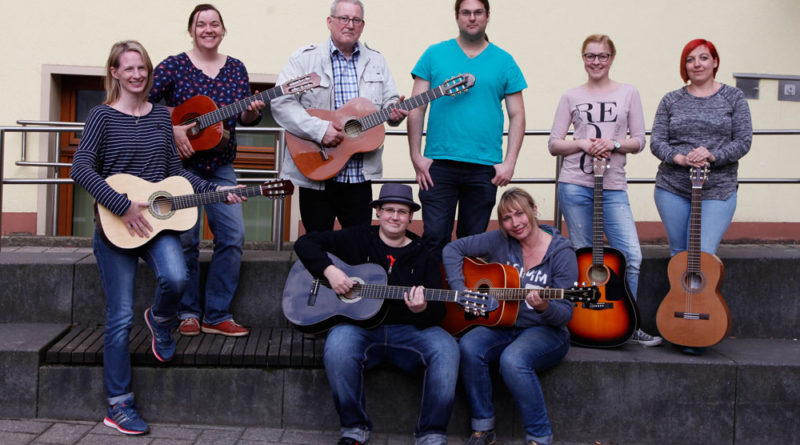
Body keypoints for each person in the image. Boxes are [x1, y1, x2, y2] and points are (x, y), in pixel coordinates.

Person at [70, 40, 243, 436]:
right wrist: (119, 204)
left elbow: (174, 175)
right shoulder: (101, 116)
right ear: (114, 73)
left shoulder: (160, 119)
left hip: (153, 223)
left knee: (178, 278)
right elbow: (81, 168)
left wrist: (218, 191)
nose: (136, 75)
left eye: (142, 69)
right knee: (119, 319)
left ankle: (161, 319)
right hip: (115, 228)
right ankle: (119, 405)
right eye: (128, 69)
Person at [293, 183, 459, 445]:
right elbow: (305, 242)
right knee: (338, 345)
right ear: (378, 212)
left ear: (410, 217)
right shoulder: (357, 237)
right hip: (359, 328)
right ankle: (354, 430)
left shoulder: (425, 253)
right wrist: (329, 271)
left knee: (446, 347)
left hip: (409, 332)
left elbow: (437, 312)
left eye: (402, 212)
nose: (395, 217)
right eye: (389, 210)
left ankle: (431, 434)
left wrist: (422, 309)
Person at [149, 3, 265, 338]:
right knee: (187, 239)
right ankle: (188, 313)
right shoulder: (173, 66)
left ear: (223, 30)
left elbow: (244, 119)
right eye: (201, 24)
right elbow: (144, 105)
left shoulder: (236, 69)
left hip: (221, 167)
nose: (209, 29)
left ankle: (216, 313)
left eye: (215, 24)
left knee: (232, 236)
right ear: (191, 30)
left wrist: (252, 112)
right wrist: (173, 130)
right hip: (180, 168)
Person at [548, 34, 661, 347]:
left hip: (612, 186)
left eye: (602, 55)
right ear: (582, 58)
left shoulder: (628, 93)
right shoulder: (571, 96)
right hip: (575, 184)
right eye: (589, 56)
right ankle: (585, 322)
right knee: (583, 257)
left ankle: (628, 322)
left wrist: (611, 143)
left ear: (612, 58)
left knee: (631, 255)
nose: (595, 61)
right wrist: (583, 143)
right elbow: (554, 143)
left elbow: (639, 140)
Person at [442, 188, 576, 445]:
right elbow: (452, 249)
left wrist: (544, 307)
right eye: (506, 218)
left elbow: (564, 316)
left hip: (546, 331)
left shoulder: (561, 252)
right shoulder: (499, 240)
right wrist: (461, 290)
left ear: (534, 210)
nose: (515, 223)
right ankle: (483, 428)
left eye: (520, 214)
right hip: (502, 324)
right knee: (469, 346)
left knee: (513, 360)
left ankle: (539, 436)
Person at [271, 0, 408, 233]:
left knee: (357, 248)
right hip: (317, 170)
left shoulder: (377, 61)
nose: (349, 25)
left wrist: (395, 113)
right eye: (343, 18)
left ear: (362, 26)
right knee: (317, 247)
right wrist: (318, 130)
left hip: (358, 175)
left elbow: (389, 105)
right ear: (330, 22)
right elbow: (281, 103)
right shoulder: (304, 59)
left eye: (355, 20)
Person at [408, 0, 526, 259]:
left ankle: (463, 300)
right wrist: (416, 156)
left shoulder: (504, 61)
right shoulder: (434, 54)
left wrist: (510, 162)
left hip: (484, 167)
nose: (472, 18)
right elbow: (416, 108)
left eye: (478, 12)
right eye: (466, 13)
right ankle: (434, 299)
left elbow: (517, 115)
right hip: (438, 164)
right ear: (457, 16)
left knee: (473, 243)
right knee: (435, 237)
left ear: (487, 16)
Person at [651, 38, 752, 258]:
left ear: (715, 62)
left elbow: (743, 140)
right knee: (679, 255)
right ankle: (680, 295)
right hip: (672, 188)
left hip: (718, 189)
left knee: (702, 255)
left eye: (703, 58)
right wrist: (681, 158)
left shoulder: (733, 97)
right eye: (690, 59)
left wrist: (712, 155)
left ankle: (702, 295)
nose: (697, 64)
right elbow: (657, 141)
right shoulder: (671, 100)